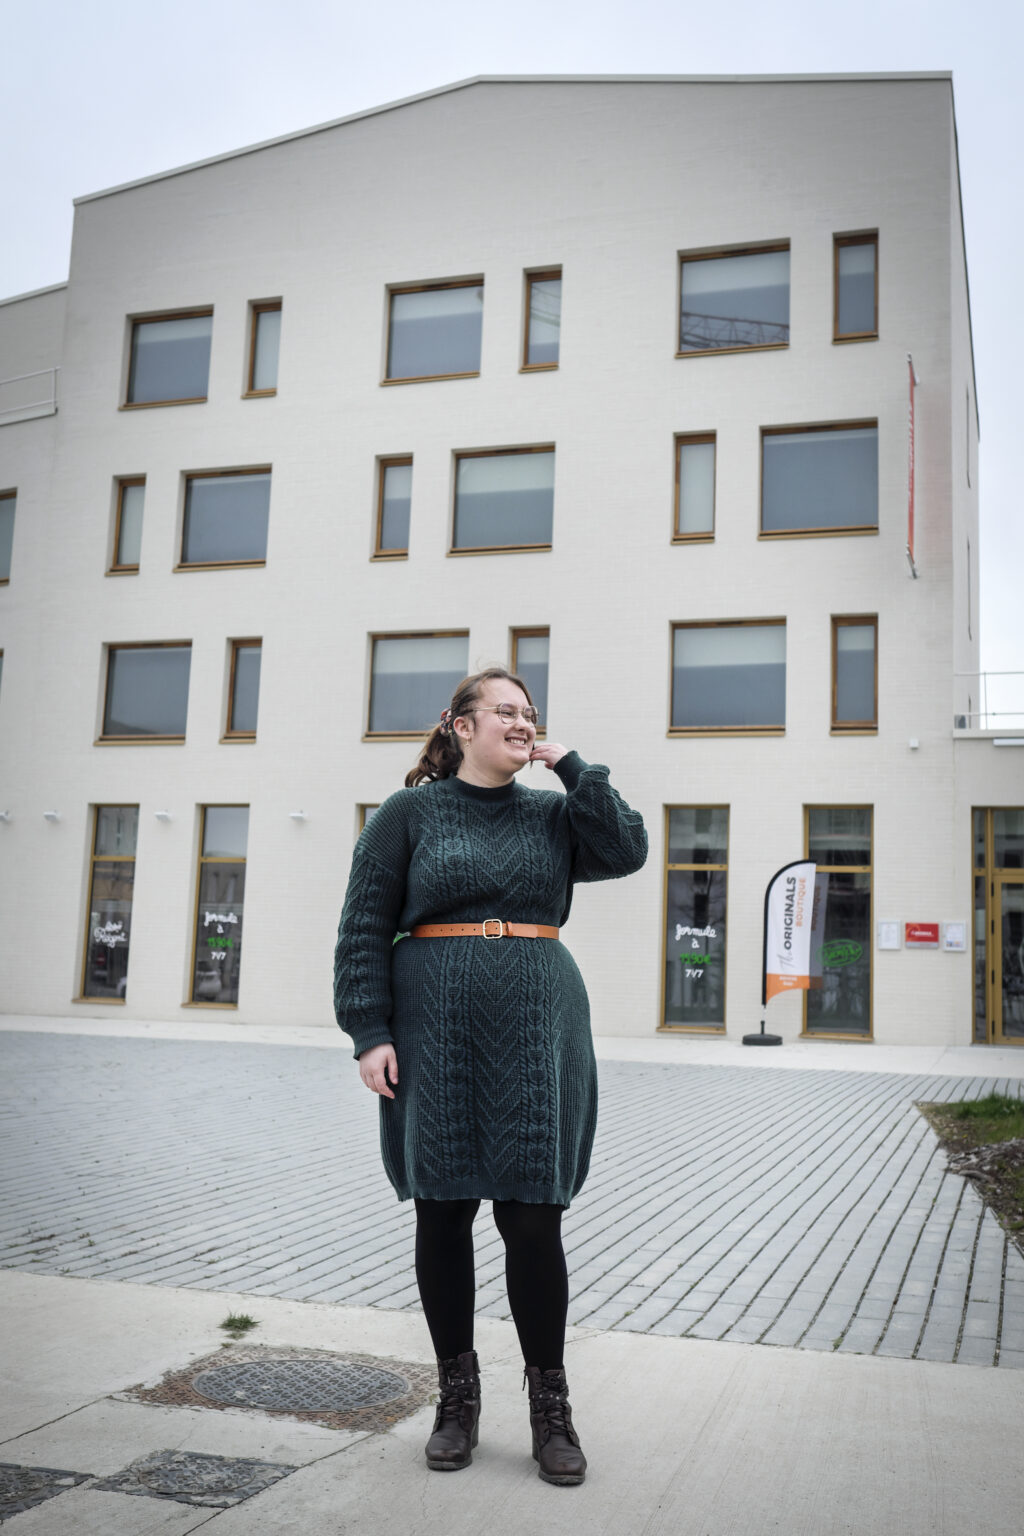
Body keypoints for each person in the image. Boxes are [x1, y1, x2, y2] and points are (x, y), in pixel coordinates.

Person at [333, 667, 647, 1484]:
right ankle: (456, 1402)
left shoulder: (554, 814)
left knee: (532, 1219)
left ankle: (552, 1411)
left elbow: (627, 850)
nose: (521, 721)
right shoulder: (410, 813)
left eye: (530, 712)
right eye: (504, 711)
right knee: (442, 1214)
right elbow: (363, 921)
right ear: (459, 726)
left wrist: (576, 768)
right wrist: (368, 1030)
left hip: (539, 1031)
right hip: (431, 1032)